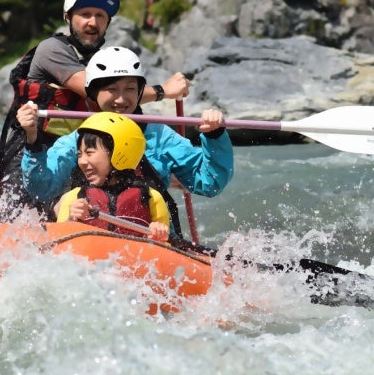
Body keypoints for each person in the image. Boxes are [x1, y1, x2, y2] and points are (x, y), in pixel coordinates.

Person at [0, 0, 192, 217]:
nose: (93, 22)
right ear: (68, 17)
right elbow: (94, 93)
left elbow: (124, 114)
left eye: (100, 16)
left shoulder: (107, 62)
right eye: (85, 14)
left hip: (84, 152)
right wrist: (163, 91)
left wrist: (158, 169)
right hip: (36, 147)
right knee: (24, 215)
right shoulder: (51, 49)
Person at [19, 45, 234, 238]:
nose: (121, 99)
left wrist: (215, 136)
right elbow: (41, 188)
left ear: (140, 92)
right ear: (94, 93)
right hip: (89, 238)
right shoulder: (79, 139)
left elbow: (210, 182)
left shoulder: (160, 136)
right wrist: (32, 139)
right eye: (111, 90)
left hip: (151, 242)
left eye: (130, 89)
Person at [54, 112, 170, 242]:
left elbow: (166, 249)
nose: (81, 161)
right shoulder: (74, 198)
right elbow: (60, 245)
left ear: (119, 153)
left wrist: (158, 234)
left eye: (89, 153)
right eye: (80, 154)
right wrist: (71, 219)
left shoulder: (152, 198)